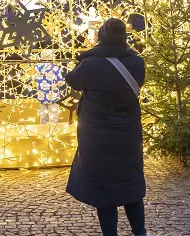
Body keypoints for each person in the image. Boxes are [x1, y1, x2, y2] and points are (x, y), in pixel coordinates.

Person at [65, 18, 147, 236]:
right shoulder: (137, 62)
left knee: (104, 189)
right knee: (131, 183)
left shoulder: (90, 64)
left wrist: (85, 58)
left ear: (101, 36)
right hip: (128, 134)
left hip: (97, 136)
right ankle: (140, 232)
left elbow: (72, 80)